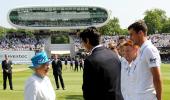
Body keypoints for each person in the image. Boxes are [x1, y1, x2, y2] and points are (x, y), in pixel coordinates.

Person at [80, 27, 123, 100]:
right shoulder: (114, 55)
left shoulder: (90, 60)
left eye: (82, 41)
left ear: (87, 40)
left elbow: (87, 89)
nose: (82, 44)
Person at [128, 20, 162, 100]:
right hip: (139, 96)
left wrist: (159, 98)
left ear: (140, 33)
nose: (130, 38)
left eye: (131, 34)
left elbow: (157, 77)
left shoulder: (149, 49)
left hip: (147, 96)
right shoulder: (141, 50)